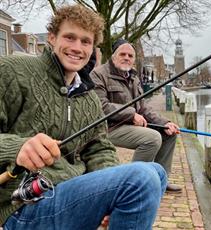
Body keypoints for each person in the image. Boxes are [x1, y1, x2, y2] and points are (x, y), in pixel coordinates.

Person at [0, 4, 167, 230]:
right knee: (141, 179)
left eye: (86, 41)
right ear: (51, 37)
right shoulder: (12, 70)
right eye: (70, 37)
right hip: (23, 205)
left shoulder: (88, 98)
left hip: (71, 193)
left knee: (157, 173)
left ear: (93, 48)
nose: (77, 47)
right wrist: (18, 148)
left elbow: (99, 148)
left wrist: (108, 193)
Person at [90, 38, 182, 192]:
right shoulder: (98, 74)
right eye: (123, 54)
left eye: (130, 56)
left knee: (169, 133)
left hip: (128, 125)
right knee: (152, 138)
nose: (127, 58)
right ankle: (132, 185)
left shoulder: (133, 77)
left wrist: (164, 122)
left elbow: (143, 107)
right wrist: (131, 115)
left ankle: (161, 180)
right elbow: (101, 106)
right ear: (113, 56)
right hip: (107, 128)